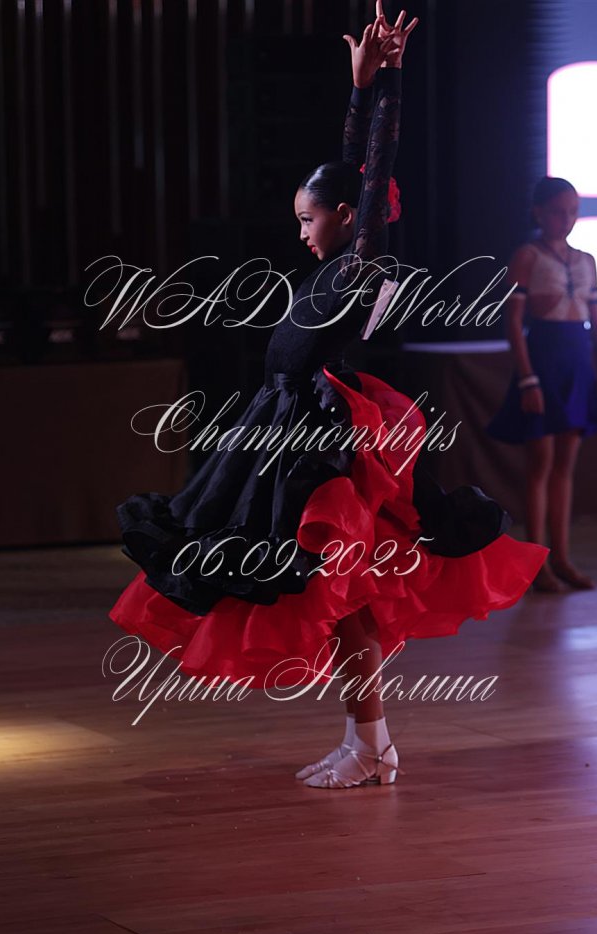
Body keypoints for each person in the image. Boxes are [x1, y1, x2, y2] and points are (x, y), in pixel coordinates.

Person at [109, 4, 547, 789]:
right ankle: (369, 742)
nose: (301, 231)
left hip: (319, 444)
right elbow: (353, 170)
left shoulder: (361, 263)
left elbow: (370, 175)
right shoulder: (336, 259)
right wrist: (360, 87)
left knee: (341, 597)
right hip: (286, 429)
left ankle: (371, 745)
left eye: (310, 218)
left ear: (349, 219)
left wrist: (391, 82)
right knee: (342, 601)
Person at [487, 176, 597, 592]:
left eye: (573, 212)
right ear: (538, 212)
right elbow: (513, 322)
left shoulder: (586, 260)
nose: (567, 219)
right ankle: (537, 563)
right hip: (543, 360)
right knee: (540, 464)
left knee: (565, 466)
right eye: (559, 211)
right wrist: (528, 379)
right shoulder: (527, 256)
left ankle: (561, 557)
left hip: (577, 363)